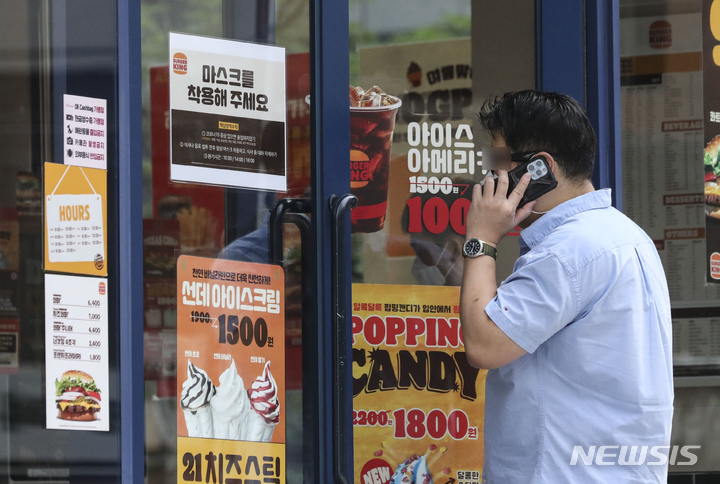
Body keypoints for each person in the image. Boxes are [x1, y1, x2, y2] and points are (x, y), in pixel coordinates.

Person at [459, 90, 673, 483]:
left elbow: (485, 344)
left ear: (539, 168)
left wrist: (481, 239)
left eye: (498, 162)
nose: (490, 178)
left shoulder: (566, 253)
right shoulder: (627, 236)